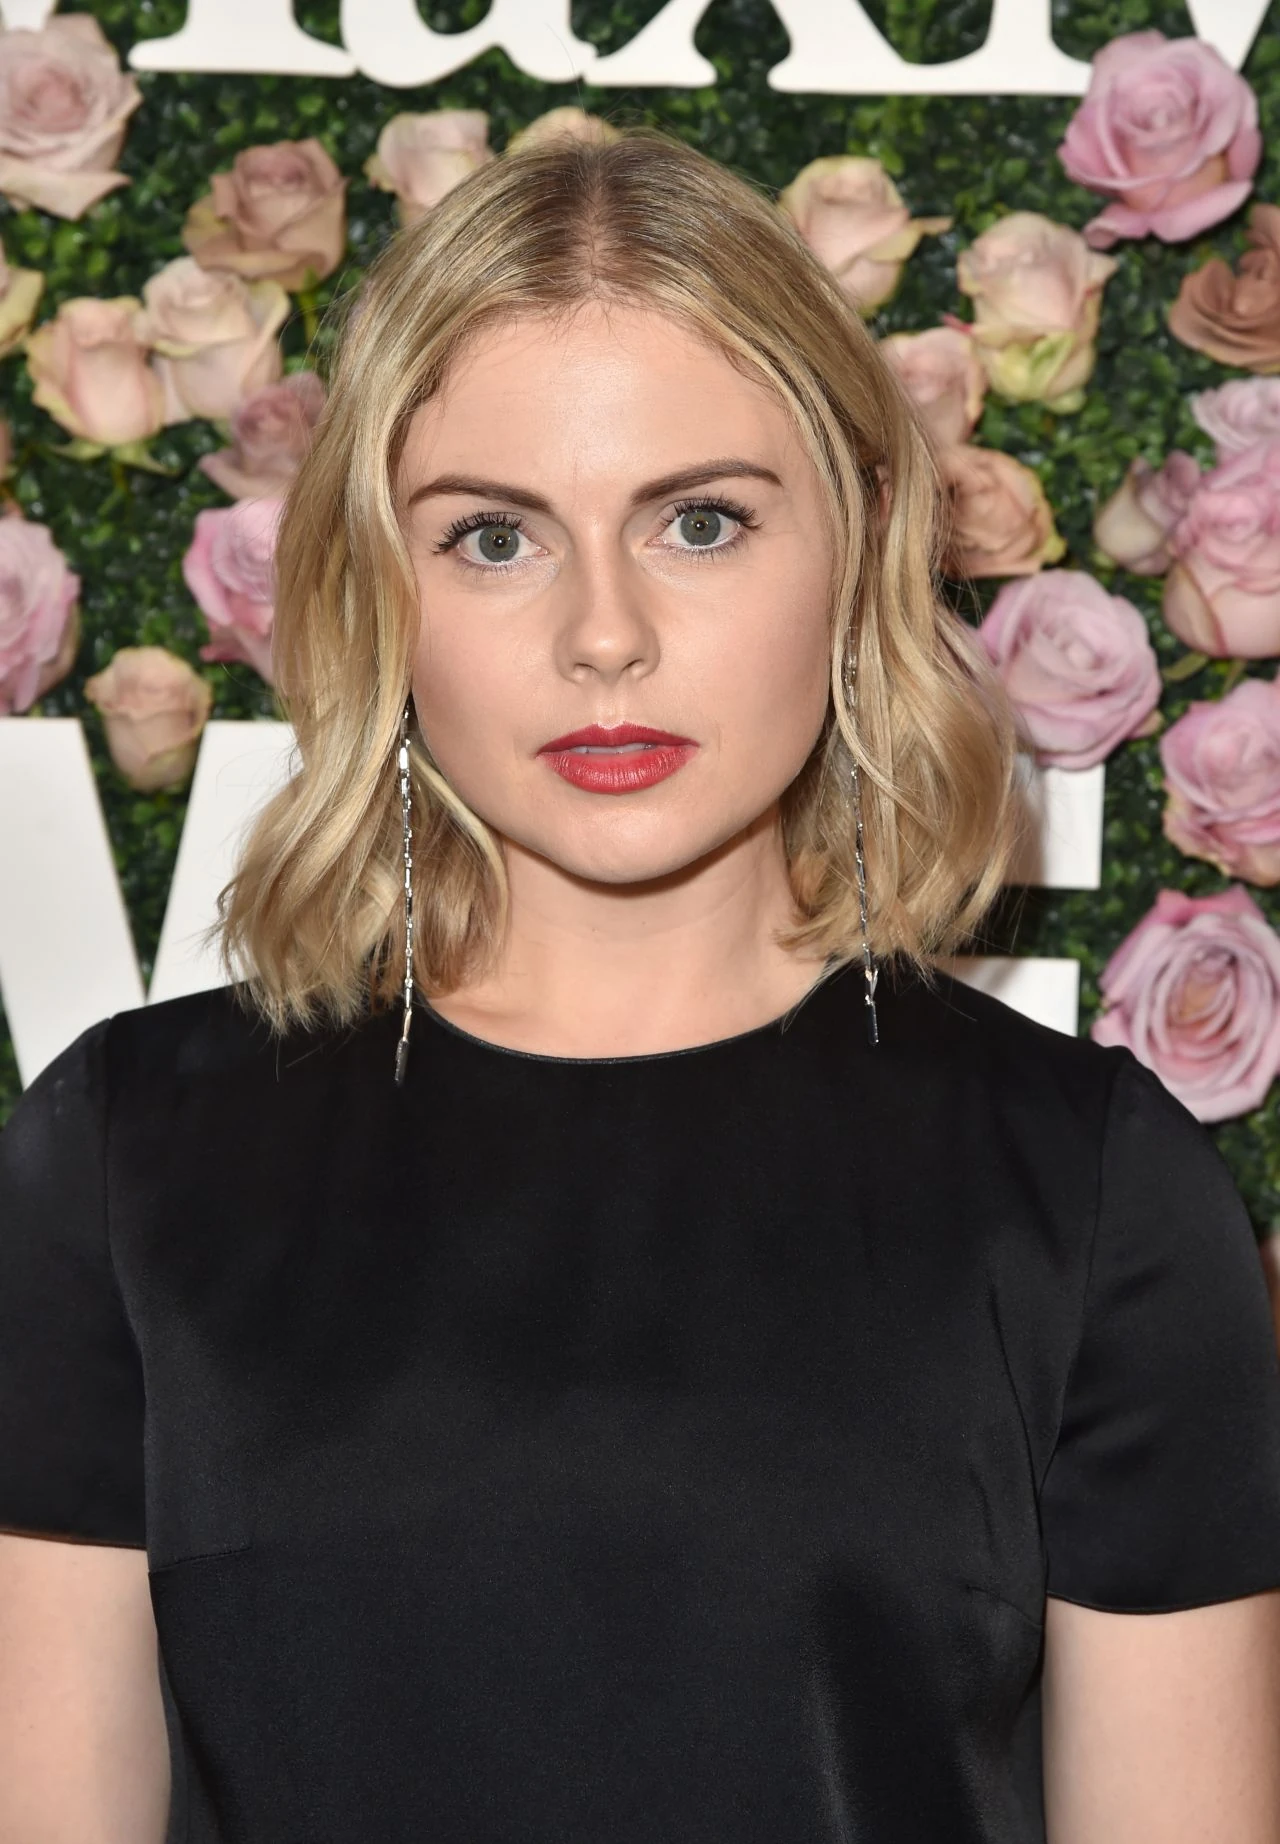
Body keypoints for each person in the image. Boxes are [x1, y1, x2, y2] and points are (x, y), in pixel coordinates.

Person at [1, 126, 1278, 1844]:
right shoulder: (121, 1163)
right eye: (494, 538)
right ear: (377, 582)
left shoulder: (1097, 1189)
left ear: (859, 536)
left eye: (699, 520)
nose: (604, 634)